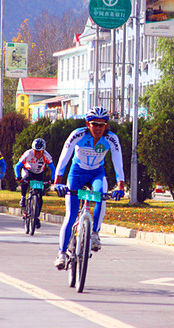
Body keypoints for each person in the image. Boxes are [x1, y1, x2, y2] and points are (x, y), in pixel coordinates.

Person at [53, 106, 125, 269]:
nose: (98, 128)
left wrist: (121, 185)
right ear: (88, 124)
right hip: (76, 173)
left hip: (96, 173)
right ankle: (62, 253)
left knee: (101, 195)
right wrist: (58, 181)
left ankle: (94, 234)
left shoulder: (111, 138)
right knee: (70, 215)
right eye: (94, 124)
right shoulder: (78, 134)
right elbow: (65, 156)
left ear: (106, 125)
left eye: (102, 124)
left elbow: (117, 161)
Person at [14, 138, 56, 229]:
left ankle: (36, 217)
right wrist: (18, 177)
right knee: (25, 180)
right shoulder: (28, 154)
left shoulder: (46, 156)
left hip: (39, 173)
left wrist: (53, 180)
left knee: (40, 197)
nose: (37, 154)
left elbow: (53, 169)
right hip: (27, 171)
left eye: (40, 152)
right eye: (35, 151)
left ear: (43, 151)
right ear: (33, 149)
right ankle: (23, 197)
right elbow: (17, 166)